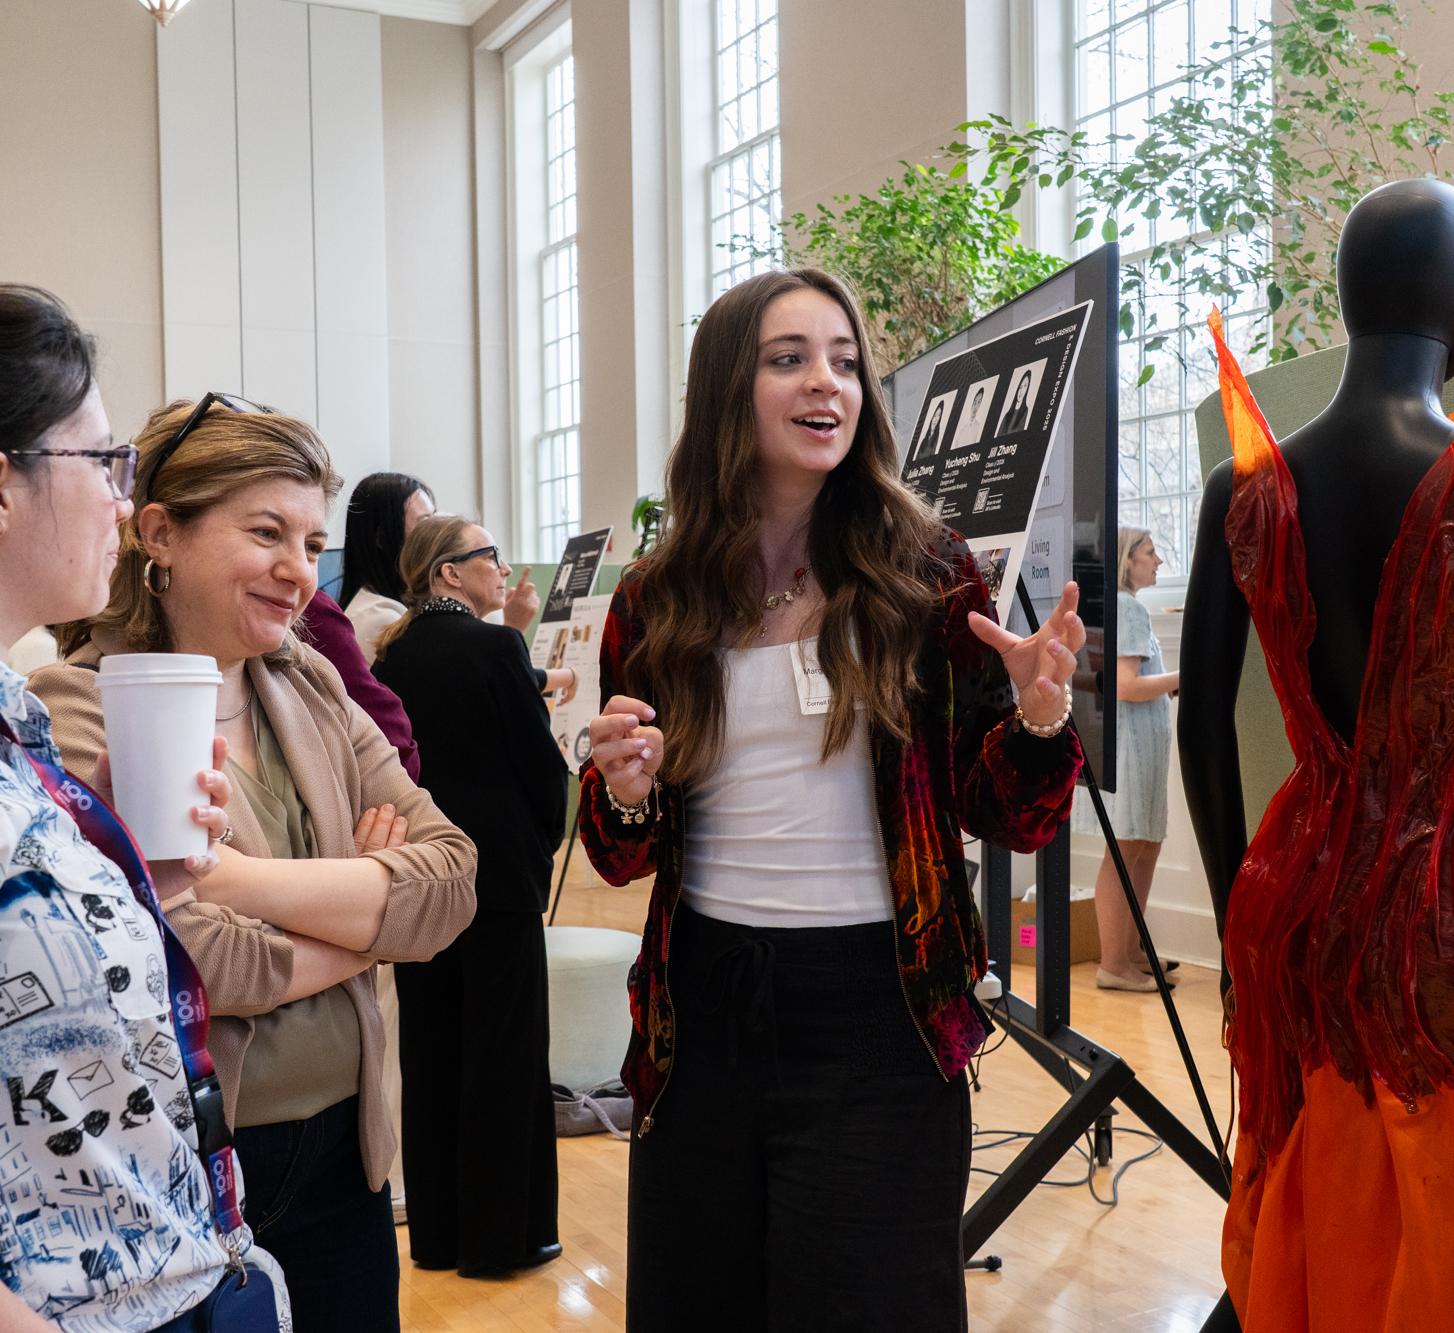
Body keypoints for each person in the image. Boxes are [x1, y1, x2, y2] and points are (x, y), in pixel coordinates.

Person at [580, 268, 1084, 1331]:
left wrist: (1038, 719)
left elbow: (1012, 816)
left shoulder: (928, 575)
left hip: (879, 1013)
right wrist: (623, 789)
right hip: (699, 1014)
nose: (827, 384)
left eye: (845, 362)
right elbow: (621, 853)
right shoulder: (656, 597)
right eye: (788, 358)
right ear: (727, 388)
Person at [30, 395, 477, 1333]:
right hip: (198, 1164)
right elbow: (186, 956)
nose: (296, 571)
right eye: (266, 532)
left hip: (349, 1157)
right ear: (160, 532)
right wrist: (365, 922)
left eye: (312, 543)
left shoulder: (309, 686)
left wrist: (229, 879)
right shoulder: (78, 708)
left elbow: (451, 880)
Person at [1181, 179, 1454, 1331]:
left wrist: (1241, 902)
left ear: (1344, 301)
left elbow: (1201, 727)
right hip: (1434, 898)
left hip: (1285, 885)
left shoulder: (1240, 484)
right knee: (1415, 1199)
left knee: (1308, 1185)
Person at [0, 285, 290, 1331]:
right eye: (101, 463)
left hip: (182, 1262)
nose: (122, 501)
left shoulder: (21, 725)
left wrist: (138, 882)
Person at [373, 514, 567, 1278]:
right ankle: (502, 1239)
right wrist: (540, 840)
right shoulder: (496, 647)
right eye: (488, 554)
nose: (501, 566)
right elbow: (538, 762)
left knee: (431, 1053)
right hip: (498, 881)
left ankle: (440, 1234)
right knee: (505, 1057)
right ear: (448, 573)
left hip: (420, 880)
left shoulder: (389, 658)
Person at [338, 470, 575, 701]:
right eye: (425, 523)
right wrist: (511, 629)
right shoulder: (380, 617)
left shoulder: (404, 613)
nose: (437, 533)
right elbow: (466, 685)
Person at [1072, 528, 1180, 992]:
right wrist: (1184, 672)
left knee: (1143, 846)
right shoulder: (1127, 607)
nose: (1158, 562)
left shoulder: (1118, 607)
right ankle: (1114, 964)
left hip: (1136, 742)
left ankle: (1131, 952)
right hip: (1131, 745)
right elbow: (1127, 686)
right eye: (1150, 554)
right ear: (1126, 560)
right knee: (1126, 849)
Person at [996, 369, 1033, 436]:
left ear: (1027, 389)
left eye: (1025, 386)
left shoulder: (1025, 411)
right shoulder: (1007, 415)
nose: (1021, 391)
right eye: (1020, 386)